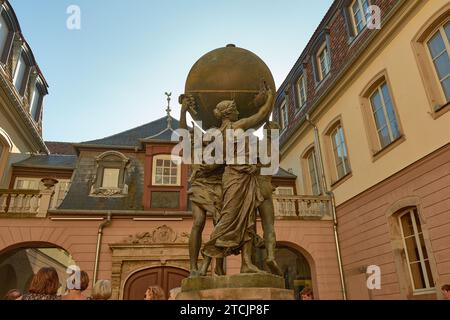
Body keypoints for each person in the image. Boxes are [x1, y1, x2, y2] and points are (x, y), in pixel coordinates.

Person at [200, 81, 274, 275]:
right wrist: (270, 95)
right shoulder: (234, 127)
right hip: (233, 177)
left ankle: (247, 263)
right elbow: (262, 113)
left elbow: (215, 161)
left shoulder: (218, 134)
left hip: (247, 178)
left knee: (248, 219)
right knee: (228, 218)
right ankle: (206, 260)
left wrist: (208, 166)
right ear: (228, 113)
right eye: (235, 110)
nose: (238, 113)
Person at [179, 95, 225, 277]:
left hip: (218, 186)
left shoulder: (220, 143)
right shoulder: (193, 147)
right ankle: (193, 267)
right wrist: (183, 111)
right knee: (198, 222)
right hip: (199, 185)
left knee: (219, 224)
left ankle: (219, 266)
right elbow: (182, 131)